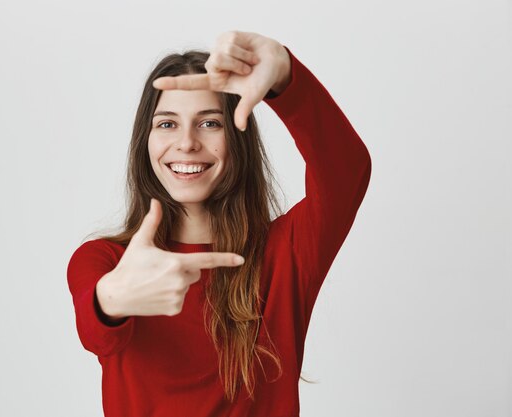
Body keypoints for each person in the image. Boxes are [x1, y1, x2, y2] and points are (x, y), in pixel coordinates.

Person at [67, 30, 372, 416]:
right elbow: (94, 328)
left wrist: (286, 77)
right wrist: (111, 298)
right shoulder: (103, 259)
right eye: (167, 124)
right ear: (145, 142)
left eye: (209, 123)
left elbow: (347, 171)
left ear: (237, 136)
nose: (187, 142)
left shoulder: (286, 253)